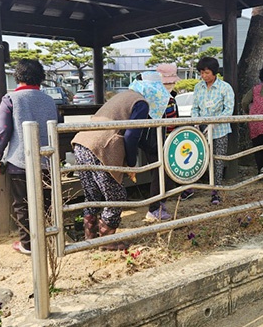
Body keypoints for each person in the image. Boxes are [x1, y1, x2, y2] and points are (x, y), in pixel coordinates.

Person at [71, 74, 167, 250]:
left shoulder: (123, 95)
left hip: (81, 144)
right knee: (116, 196)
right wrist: (131, 163)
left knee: (92, 196)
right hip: (101, 148)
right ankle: (107, 241)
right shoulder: (141, 103)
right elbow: (131, 135)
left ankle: (90, 238)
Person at [0, 59, 59, 255]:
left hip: (20, 161)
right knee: (45, 202)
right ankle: (48, 239)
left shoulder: (10, 99)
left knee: (23, 204)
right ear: (41, 78)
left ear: (17, 76)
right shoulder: (49, 100)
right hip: (47, 160)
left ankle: (28, 244)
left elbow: (2, 132)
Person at [191, 57, 235, 205]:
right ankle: (192, 187)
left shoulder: (225, 88)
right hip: (202, 131)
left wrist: (214, 122)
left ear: (214, 72)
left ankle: (216, 192)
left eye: (207, 72)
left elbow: (228, 109)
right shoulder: (198, 87)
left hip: (220, 130)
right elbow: (195, 108)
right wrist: (196, 122)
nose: (204, 76)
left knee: (218, 161)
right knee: (200, 159)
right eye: (201, 73)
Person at [143, 64, 181, 222]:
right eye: (166, 82)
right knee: (160, 175)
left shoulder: (171, 96)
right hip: (156, 141)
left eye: (171, 81)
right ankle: (154, 209)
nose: (170, 84)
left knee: (166, 174)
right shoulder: (156, 98)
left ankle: (160, 203)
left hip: (168, 140)